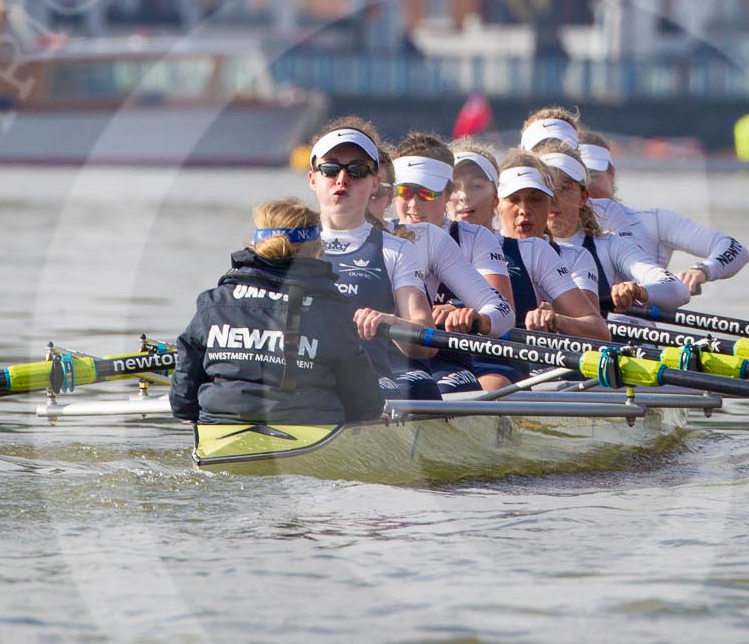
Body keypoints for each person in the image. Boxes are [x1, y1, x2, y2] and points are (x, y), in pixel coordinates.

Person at [169, 199, 385, 426]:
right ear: (317, 249)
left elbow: (182, 398)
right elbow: (365, 403)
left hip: (219, 424)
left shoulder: (213, 302)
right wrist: (369, 416)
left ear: (255, 243)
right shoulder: (331, 310)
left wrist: (189, 412)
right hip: (306, 428)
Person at [304, 118, 442, 400]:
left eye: (357, 171)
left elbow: (426, 342)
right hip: (298, 376)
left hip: (369, 381)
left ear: (376, 182)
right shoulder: (286, 245)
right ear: (313, 179)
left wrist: (389, 322)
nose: (342, 180)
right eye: (330, 169)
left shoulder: (397, 250)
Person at [385, 133, 515, 393]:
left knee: (446, 390)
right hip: (391, 359)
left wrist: (474, 316)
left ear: (448, 195)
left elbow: (504, 312)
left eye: (425, 193)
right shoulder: (380, 235)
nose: (412, 204)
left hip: (454, 353)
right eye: (405, 191)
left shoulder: (473, 237)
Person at [576, 128, 749, 297]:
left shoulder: (654, 222)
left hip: (637, 323)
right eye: (575, 180)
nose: (584, 187)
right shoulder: (551, 233)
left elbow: (735, 249)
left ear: (611, 175)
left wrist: (702, 271)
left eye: (592, 176)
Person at [530, 140, 690, 314]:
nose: (554, 199)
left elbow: (677, 290)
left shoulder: (611, 246)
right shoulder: (516, 248)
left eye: (564, 189)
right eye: (546, 190)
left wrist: (639, 291)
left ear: (583, 197)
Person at [493, 153, 609, 340]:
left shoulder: (576, 257)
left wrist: (558, 320)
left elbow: (598, 334)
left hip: (554, 363)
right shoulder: (478, 249)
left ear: (550, 203)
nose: (524, 209)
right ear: (497, 203)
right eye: (514, 199)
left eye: (535, 199)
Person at [448, 138, 501, 229]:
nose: (464, 196)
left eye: (476, 186)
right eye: (454, 187)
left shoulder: (523, 243)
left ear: (495, 197)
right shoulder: (430, 242)